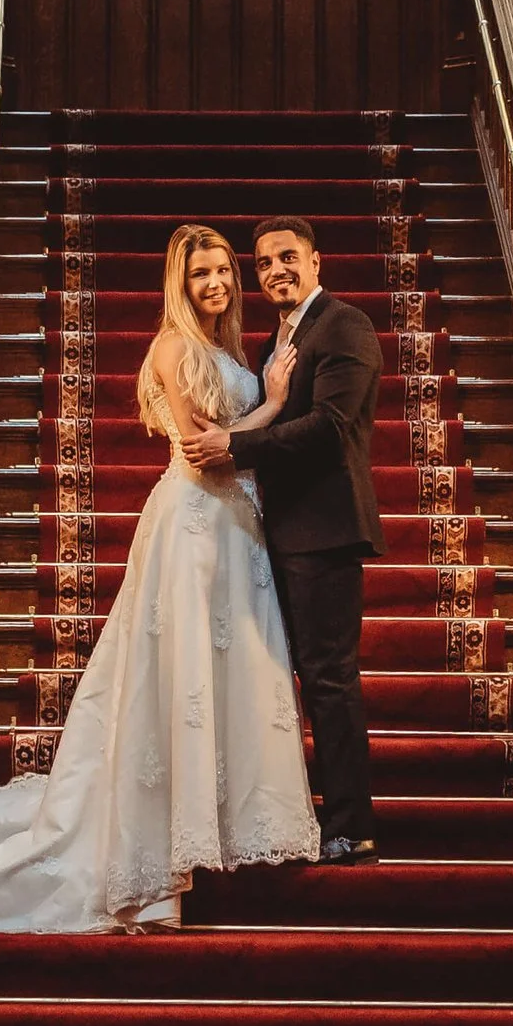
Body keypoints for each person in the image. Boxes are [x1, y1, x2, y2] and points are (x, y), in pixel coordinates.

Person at [0, 223, 319, 933]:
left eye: (223, 272)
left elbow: (237, 448)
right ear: (179, 284)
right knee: (179, 683)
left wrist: (259, 404)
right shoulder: (173, 347)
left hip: (238, 531)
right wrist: (271, 401)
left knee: (226, 677)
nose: (216, 284)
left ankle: (217, 834)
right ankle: (153, 868)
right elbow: (207, 452)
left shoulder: (225, 349)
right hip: (194, 525)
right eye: (201, 274)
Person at [182, 215, 383, 866]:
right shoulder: (280, 338)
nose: (277, 270)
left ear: (317, 261)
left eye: (288, 257)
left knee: (329, 677)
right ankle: (308, 810)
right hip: (281, 530)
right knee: (299, 677)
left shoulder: (344, 324)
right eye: (265, 262)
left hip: (324, 530)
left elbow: (328, 426)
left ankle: (352, 824)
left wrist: (233, 446)